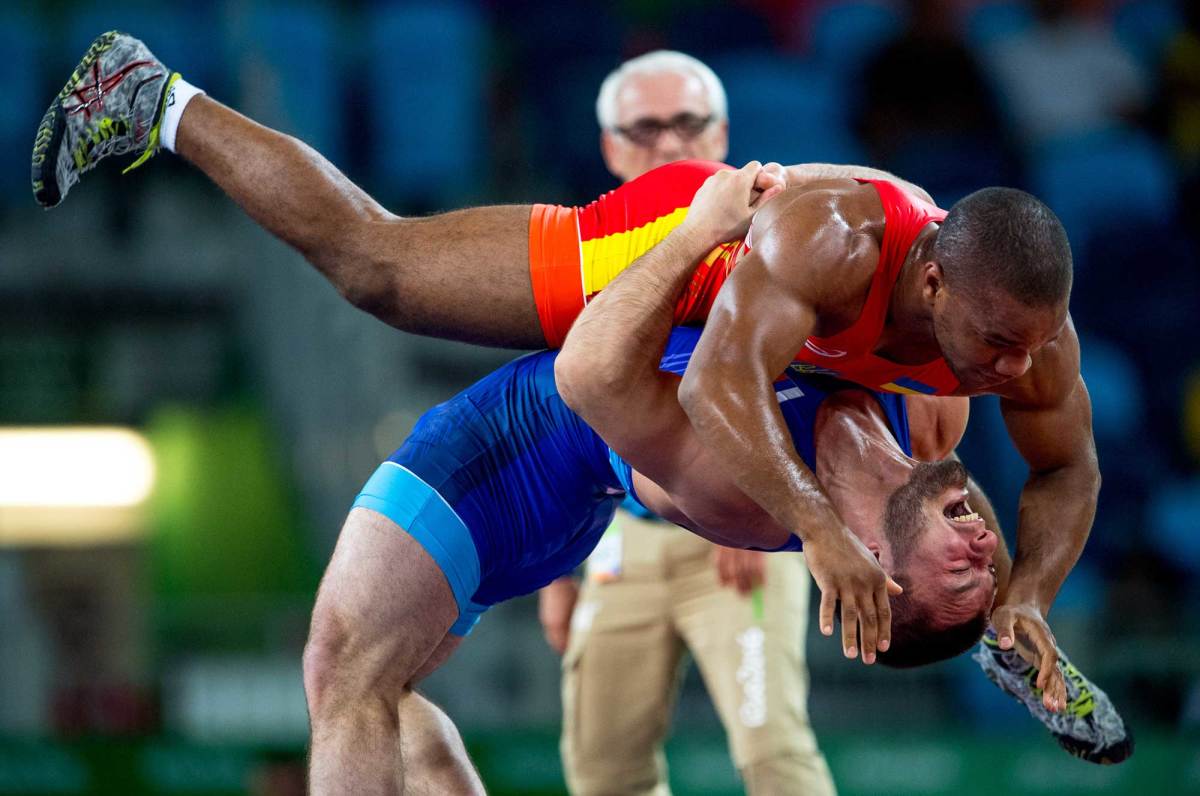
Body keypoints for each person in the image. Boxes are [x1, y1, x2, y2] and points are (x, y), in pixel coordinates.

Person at [33, 32, 1131, 766]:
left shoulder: (1013, 342)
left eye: (1030, 349)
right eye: (995, 347)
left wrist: (1031, 596)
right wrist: (815, 526)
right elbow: (719, 379)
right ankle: (151, 98)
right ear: (933, 283)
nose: (1011, 373)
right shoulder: (838, 243)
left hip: (744, 367)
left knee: (907, 465)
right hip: (691, 255)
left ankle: (999, 639)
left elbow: (1068, 464)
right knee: (381, 272)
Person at [306, 163, 1013, 792]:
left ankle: (219, 112)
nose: (984, 544)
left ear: (877, 564)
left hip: (503, 460)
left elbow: (586, 373)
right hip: (575, 503)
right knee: (386, 693)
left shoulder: (741, 491)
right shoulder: (931, 413)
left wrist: (696, 232)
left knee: (343, 671)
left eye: (961, 571)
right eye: (988, 560)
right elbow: (906, 215)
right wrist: (1022, 601)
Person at [537, 50, 834, 796]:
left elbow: (822, 393)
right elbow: (566, 417)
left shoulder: (781, 243)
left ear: (722, 135)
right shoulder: (582, 256)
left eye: (688, 124)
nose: (669, 144)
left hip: (747, 533)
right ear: (611, 148)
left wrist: (755, 514)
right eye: (645, 129)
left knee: (773, 753)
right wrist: (556, 564)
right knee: (602, 769)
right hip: (620, 541)